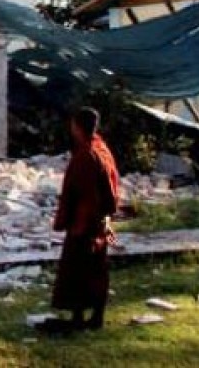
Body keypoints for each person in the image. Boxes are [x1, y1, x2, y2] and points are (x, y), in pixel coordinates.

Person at [46, 106, 120, 332]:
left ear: (77, 127)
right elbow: (111, 188)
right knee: (97, 271)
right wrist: (107, 219)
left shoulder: (85, 156)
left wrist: (66, 220)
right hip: (100, 220)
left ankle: (79, 317)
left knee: (77, 270)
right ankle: (96, 316)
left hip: (84, 221)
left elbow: (79, 192)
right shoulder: (102, 150)